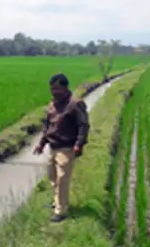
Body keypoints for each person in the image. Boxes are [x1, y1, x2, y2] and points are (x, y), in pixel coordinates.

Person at [32, 73, 90, 222]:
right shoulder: (53, 104)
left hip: (67, 147)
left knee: (63, 178)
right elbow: (47, 127)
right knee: (53, 177)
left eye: (56, 89)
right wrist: (41, 144)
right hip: (53, 146)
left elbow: (83, 125)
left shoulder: (75, 103)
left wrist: (78, 144)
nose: (53, 92)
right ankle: (57, 202)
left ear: (65, 88)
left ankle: (61, 210)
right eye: (52, 89)